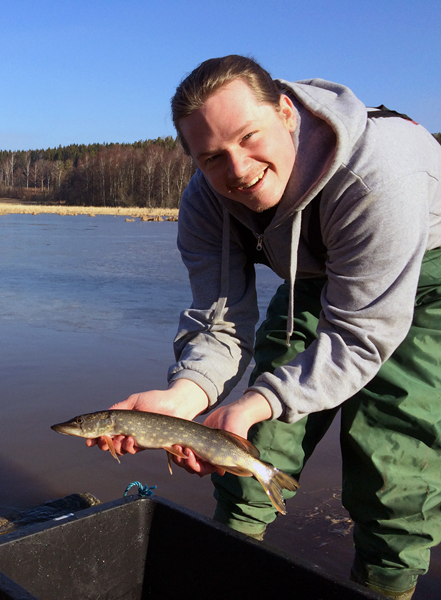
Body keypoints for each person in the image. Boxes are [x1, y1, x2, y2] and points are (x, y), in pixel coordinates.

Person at [88, 55, 441, 599]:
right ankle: (231, 569)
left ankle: (384, 588)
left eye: (249, 136)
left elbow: (360, 335)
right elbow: (220, 323)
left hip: (425, 279)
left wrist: (255, 400)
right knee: (259, 439)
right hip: (314, 276)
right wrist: (186, 398)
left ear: (286, 111)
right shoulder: (207, 201)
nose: (238, 169)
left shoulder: (380, 175)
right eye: (212, 158)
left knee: (393, 463)